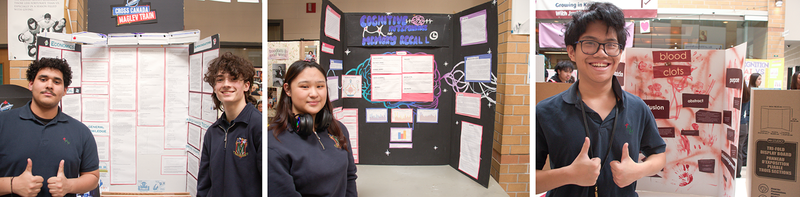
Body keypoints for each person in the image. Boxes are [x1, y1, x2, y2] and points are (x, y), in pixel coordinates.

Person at [535, 3, 667, 196]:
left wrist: (637, 170)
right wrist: (568, 174)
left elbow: (658, 154)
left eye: (611, 45)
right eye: (589, 43)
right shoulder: (546, 111)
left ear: (620, 52)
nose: (601, 53)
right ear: (571, 51)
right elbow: (530, 179)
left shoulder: (637, 108)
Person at [0, 58, 100, 197]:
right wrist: (12, 185)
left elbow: (92, 177)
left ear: (65, 90)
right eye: (43, 79)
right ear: (31, 84)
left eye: (56, 81)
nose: (49, 85)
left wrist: (69, 186)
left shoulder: (80, 132)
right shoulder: (3, 123)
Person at [268, 60, 357, 197]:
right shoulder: (274, 141)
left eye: (320, 86)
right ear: (287, 89)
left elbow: (349, 177)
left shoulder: (338, 129)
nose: (314, 93)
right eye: (304, 87)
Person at [196, 52, 262, 197]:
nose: (226, 84)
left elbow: (270, 183)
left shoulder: (259, 127)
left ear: (246, 86)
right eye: (220, 79)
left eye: (233, 79)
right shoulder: (212, 133)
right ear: (214, 87)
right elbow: (204, 185)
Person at [737, 77, 753, 178]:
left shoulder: (735, 92)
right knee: (739, 151)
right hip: (744, 125)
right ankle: (737, 173)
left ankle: (733, 172)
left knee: (733, 151)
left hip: (736, 124)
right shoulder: (747, 93)